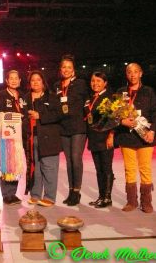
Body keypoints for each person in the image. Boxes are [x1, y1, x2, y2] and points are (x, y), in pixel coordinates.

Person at [115, 63, 156, 213]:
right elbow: (114, 114)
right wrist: (122, 121)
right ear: (126, 75)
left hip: (145, 137)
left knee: (145, 170)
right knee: (129, 169)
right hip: (126, 137)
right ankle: (131, 201)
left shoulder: (148, 91)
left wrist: (152, 131)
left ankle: (146, 202)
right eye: (129, 72)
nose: (132, 75)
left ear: (141, 73)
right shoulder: (121, 92)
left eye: (135, 72)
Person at [53, 54, 88, 206]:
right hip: (63, 127)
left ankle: (76, 191)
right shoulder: (56, 86)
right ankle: (71, 191)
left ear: (73, 70)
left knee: (75, 158)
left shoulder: (80, 84)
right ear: (60, 69)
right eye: (64, 67)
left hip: (78, 126)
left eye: (69, 67)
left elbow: (87, 103)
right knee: (68, 161)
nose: (66, 70)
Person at [25, 70, 63, 207]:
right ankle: (35, 195)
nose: (35, 82)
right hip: (31, 138)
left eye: (38, 80)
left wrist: (40, 116)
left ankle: (49, 197)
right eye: (32, 80)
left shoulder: (52, 97)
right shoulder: (25, 98)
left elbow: (59, 115)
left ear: (43, 82)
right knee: (36, 167)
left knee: (49, 167)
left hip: (49, 138)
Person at [0, 70, 27, 205]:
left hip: (18, 137)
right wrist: (5, 115)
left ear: (20, 80)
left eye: (16, 78)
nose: (13, 81)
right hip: (4, 137)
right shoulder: (0, 95)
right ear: (6, 81)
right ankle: (6, 194)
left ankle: (13, 193)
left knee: (16, 162)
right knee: (6, 164)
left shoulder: (23, 96)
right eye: (11, 78)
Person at [85, 72, 115, 208]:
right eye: (93, 81)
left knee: (106, 168)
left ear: (105, 83)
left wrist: (111, 136)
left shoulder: (109, 97)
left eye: (98, 81)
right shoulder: (91, 98)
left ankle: (107, 198)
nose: (95, 84)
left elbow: (114, 119)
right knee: (99, 169)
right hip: (94, 138)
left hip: (105, 138)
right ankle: (101, 196)